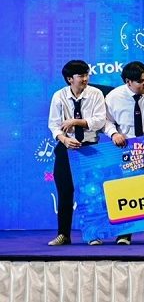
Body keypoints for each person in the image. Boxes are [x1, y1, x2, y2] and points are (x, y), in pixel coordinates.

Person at [104, 61, 144, 245]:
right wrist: (113, 133)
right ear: (128, 82)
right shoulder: (114, 97)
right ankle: (124, 234)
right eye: (141, 81)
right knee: (126, 192)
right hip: (126, 147)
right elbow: (105, 121)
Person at [47, 60, 107, 246]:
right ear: (69, 79)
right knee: (65, 191)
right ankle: (63, 234)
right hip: (66, 148)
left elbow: (99, 121)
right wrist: (64, 139)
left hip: (90, 148)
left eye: (87, 74)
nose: (85, 79)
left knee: (92, 193)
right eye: (81, 76)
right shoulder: (59, 96)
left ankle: (93, 235)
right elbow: (54, 125)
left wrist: (75, 122)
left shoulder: (96, 94)